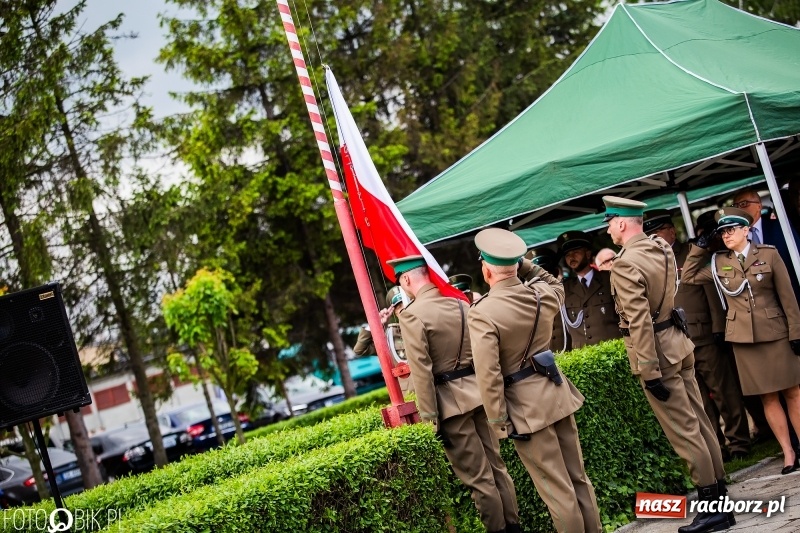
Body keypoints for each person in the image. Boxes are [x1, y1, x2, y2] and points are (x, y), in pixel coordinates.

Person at [602, 196, 731, 533]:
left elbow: (639, 321)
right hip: (678, 342)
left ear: (620, 223)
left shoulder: (627, 263)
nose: (607, 229)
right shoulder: (659, 247)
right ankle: (721, 498)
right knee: (700, 422)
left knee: (685, 433)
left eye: (609, 222)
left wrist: (648, 369)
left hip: (658, 352)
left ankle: (712, 507)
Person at [468, 228, 602, 533]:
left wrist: (499, 422)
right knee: (578, 479)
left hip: (525, 410)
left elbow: (489, 374)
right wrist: (522, 262)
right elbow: (554, 281)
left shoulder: (482, 312)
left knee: (557, 491)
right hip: (555, 393)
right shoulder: (541, 294)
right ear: (515, 265)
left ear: (485, 269)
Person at [388, 255, 520, 533]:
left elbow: (421, 373)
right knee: (497, 468)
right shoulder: (460, 302)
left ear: (408, 279)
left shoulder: (412, 315)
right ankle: (514, 526)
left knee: (478, 478)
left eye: (402, 281)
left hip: (450, 406)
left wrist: (430, 419)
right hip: (478, 394)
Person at [681, 207, 800, 476]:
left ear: (746, 230)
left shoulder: (768, 254)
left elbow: (788, 297)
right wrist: (700, 247)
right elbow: (688, 277)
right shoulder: (718, 262)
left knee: (793, 392)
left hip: (776, 332)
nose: (726, 235)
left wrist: (796, 332)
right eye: (722, 232)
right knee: (768, 397)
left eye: (731, 229)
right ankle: (788, 452)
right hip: (745, 340)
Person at [643, 209, 751, 459]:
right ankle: (717, 446)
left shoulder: (691, 252)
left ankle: (739, 443)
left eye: (658, 232)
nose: (654, 237)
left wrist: (718, 327)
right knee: (700, 399)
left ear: (671, 230)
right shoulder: (650, 260)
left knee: (724, 391)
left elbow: (711, 289)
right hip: (676, 339)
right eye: (649, 234)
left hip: (703, 332)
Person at [556, 230, 620, 349]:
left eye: (576, 252)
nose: (571, 257)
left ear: (588, 254)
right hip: (582, 357)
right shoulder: (564, 288)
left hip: (612, 351)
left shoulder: (609, 279)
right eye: (568, 254)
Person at [353, 286, 414, 394]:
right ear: (394, 312)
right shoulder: (391, 336)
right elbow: (360, 350)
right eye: (398, 306)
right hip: (411, 395)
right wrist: (376, 324)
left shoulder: (426, 324)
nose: (403, 308)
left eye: (405, 303)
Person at [520, 246, 571, 353]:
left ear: (556, 273)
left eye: (548, 275)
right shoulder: (527, 302)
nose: (543, 282)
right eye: (538, 279)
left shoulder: (566, 293)